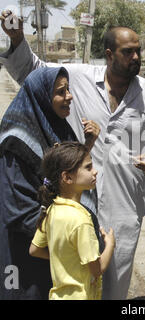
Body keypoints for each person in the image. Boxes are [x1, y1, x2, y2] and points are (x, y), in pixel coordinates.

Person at [0, 12, 145, 299]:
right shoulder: (79, 79)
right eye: (127, 52)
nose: (135, 57)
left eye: (138, 51)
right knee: (77, 276)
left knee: (116, 279)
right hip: (77, 200)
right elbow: (36, 74)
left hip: (125, 205)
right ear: (109, 54)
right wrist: (18, 38)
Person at [0, 66, 100, 300]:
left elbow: (63, 174)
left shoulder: (55, 127)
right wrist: (67, 242)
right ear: (42, 96)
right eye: (61, 91)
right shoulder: (16, 142)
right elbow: (18, 210)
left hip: (51, 250)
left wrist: (87, 145)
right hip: (28, 253)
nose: (69, 96)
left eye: (69, 89)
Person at [29, 142, 115, 300]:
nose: (95, 172)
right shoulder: (81, 220)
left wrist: (66, 258)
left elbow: (34, 250)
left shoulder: (51, 210)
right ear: (67, 177)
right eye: (88, 168)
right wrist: (110, 245)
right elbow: (98, 269)